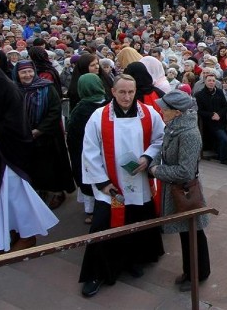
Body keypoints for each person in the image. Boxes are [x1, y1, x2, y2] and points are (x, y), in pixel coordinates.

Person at [79, 74, 165, 298]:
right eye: (122, 92)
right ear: (113, 92)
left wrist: (147, 157)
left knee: (137, 221)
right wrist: (103, 182)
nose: (127, 96)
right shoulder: (98, 117)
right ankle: (96, 273)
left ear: (136, 91)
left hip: (139, 181)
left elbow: (160, 139)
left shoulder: (149, 113)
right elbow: (89, 152)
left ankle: (133, 260)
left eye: (131, 91)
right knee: (102, 226)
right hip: (111, 186)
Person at [0, 53, 58, 254]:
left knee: (15, 194)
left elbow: (13, 125)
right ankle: (13, 230)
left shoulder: (6, 90)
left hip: (10, 155)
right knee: (3, 196)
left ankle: (27, 235)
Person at [150, 89, 211, 293]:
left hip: (185, 190)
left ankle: (199, 274)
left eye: (165, 109)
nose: (161, 112)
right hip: (176, 188)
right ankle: (190, 271)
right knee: (186, 233)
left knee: (193, 233)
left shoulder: (189, 134)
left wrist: (157, 170)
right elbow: (164, 150)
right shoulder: (175, 127)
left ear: (177, 112)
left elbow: (185, 171)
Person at [13, 60, 75, 210]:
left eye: (30, 71)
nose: (28, 75)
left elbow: (54, 110)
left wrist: (39, 130)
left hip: (48, 136)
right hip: (24, 137)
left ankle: (57, 192)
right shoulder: (13, 89)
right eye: (23, 72)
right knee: (33, 167)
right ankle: (39, 190)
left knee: (52, 167)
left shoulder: (46, 87)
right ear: (17, 74)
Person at [66, 73, 108, 224]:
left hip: (86, 155)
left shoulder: (79, 111)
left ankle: (91, 212)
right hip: (108, 154)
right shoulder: (110, 104)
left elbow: (73, 139)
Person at [195, 72, 227, 164]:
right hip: (207, 123)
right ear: (205, 82)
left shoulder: (219, 92)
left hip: (220, 120)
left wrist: (219, 114)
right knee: (224, 138)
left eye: (213, 81)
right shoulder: (199, 95)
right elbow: (199, 110)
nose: (211, 82)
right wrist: (211, 115)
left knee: (224, 138)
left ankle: (221, 157)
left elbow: (225, 106)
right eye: (209, 80)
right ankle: (223, 159)